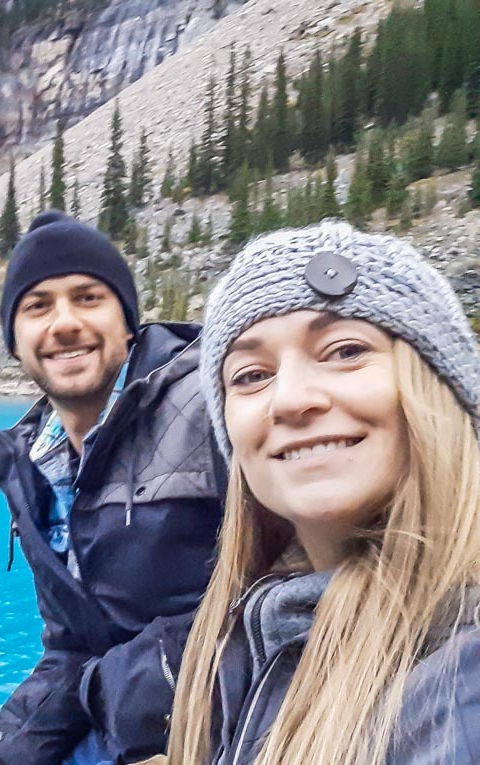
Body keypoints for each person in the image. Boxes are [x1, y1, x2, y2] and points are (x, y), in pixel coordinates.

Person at [166, 221, 480, 765]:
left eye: (344, 350)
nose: (289, 399)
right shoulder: (267, 625)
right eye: (250, 375)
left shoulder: (463, 683)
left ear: (440, 386)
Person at [0, 211, 225, 765]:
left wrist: (119, 694)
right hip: (123, 716)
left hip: (219, 718)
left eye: (88, 298)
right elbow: (72, 644)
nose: (64, 323)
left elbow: (289, 583)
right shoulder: (31, 465)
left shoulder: (209, 407)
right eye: (37, 306)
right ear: (14, 341)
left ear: (128, 324)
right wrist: (5, 755)